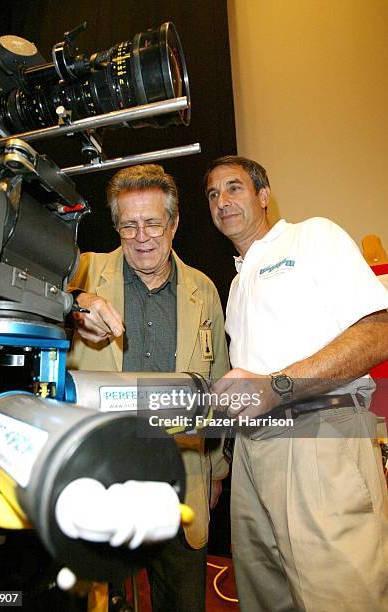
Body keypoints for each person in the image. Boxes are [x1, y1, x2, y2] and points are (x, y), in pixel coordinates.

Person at [204, 155, 388, 612]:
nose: (222, 201)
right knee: (265, 598)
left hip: (316, 437)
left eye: (234, 188)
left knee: (339, 598)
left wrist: (277, 387)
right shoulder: (236, 283)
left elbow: (379, 330)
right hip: (250, 452)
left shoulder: (312, 236)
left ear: (264, 196)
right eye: (212, 194)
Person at [67, 163, 230, 612]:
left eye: (153, 223)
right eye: (128, 225)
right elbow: (40, 297)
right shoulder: (84, 271)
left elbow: (218, 388)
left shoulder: (204, 290)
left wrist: (215, 470)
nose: (141, 237)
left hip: (180, 482)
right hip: (99, 483)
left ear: (174, 222)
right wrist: (76, 304)